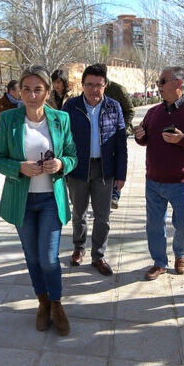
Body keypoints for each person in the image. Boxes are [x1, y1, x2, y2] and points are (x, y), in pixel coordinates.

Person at [0, 65, 78, 336]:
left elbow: (74, 155)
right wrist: (18, 167)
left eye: (37, 89)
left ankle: (56, 303)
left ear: (48, 91)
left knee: (49, 257)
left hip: (51, 200)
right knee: (32, 257)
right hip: (22, 201)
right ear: (19, 91)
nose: (31, 95)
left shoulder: (60, 119)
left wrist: (61, 163)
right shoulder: (8, 119)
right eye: (26, 89)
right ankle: (42, 303)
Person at [134, 66, 184, 280]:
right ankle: (159, 262)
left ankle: (180, 254)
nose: (158, 86)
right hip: (154, 181)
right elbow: (145, 139)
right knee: (154, 226)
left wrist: (183, 140)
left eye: (162, 81)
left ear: (178, 83)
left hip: (181, 182)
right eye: (158, 82)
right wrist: (140, 135)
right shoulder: (153, 112)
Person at [62, 63, 127, 276]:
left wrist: (121, 174)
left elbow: (121, 143)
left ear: (105, 85)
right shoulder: (71, 106)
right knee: (79, 213)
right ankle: (79, 248)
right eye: (89, 85)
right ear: (82, 85)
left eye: (98, 85)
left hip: (104, 170)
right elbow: (62, 140)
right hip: (78, 169)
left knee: (103, 216)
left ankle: (98, 255)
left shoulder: (114, 107)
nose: (93, 90)